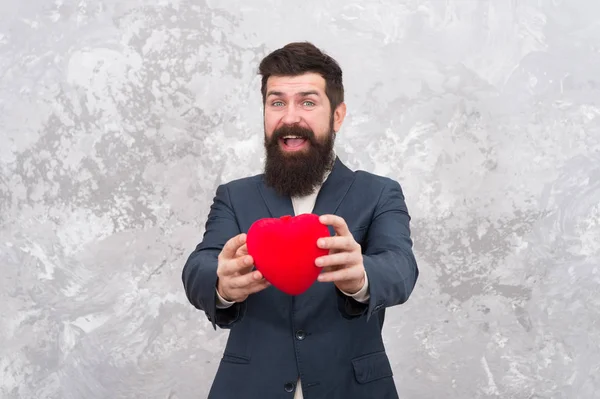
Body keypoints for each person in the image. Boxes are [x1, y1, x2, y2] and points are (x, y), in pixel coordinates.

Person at [182, 41, 419, 399]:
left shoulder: (379, 193)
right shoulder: (234, 196)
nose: (290, 117)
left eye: (307, 102)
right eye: (277, 102)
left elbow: (401, 266)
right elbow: (199, 264)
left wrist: (362, 277)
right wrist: (221, 285)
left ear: (337, 115)